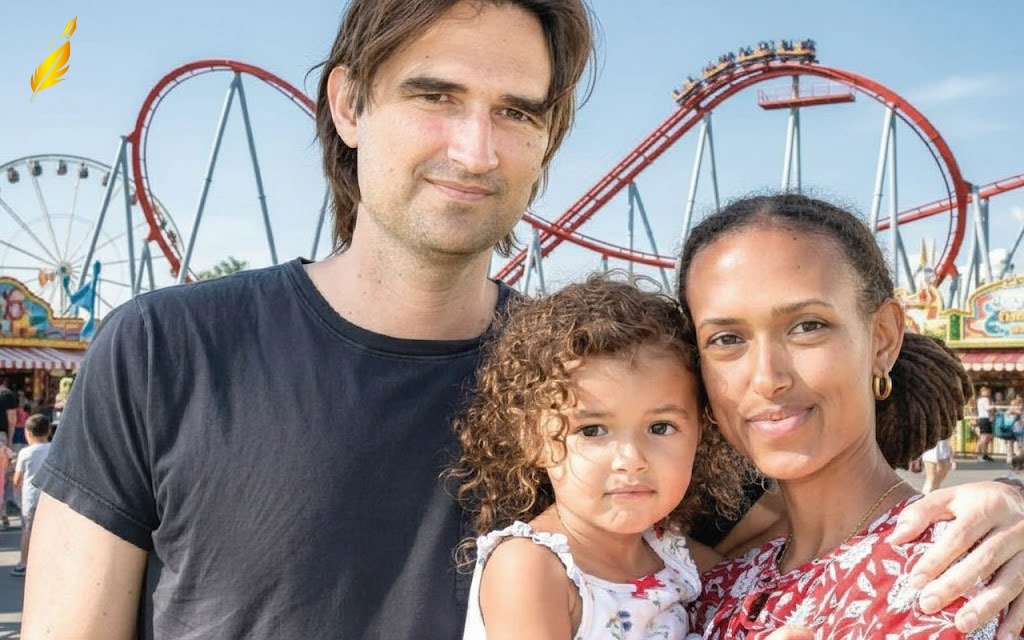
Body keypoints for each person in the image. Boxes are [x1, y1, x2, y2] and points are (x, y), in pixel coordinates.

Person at [21, 1, 1024, 637]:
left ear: (547, 143)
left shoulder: (610, 377)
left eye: (516, 111)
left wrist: (996, 510)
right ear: (347, 104)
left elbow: (811, 536)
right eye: (434, 95)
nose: (474, 145)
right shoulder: (163, 349)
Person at [678, 193, 1021, 638]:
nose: (766, 378)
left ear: (881, 339)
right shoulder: (707, 590)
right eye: (726, 338)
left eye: (807, 326)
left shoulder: (965, 568)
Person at [453, 275, 749, 639]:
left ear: (700, 436)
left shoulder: (673, 555)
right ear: (533, 440)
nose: (631, 459)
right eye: (592, 430)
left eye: (661, 427)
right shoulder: (530, 568)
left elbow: (760, 595)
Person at [11, 414, 51, 577]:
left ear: (27, 433)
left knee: (28, 529)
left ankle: (23, 563)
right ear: (49, 431)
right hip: (49, 495)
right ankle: (48, 561)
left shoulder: (25, 453)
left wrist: (16, 492)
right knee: (50, 529)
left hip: (31, 496)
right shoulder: (54, 448)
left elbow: (17, 478)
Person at [977, 386, 995, 461]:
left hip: (984, 419)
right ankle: (980, 454)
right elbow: (988, 408)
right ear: (983, 392)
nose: (988, 392)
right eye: (987, 391)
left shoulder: (980, 400)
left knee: (987, 437)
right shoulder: (985, 399)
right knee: (984, 437)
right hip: (985, 419)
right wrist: (994, 406)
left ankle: (985, 454)